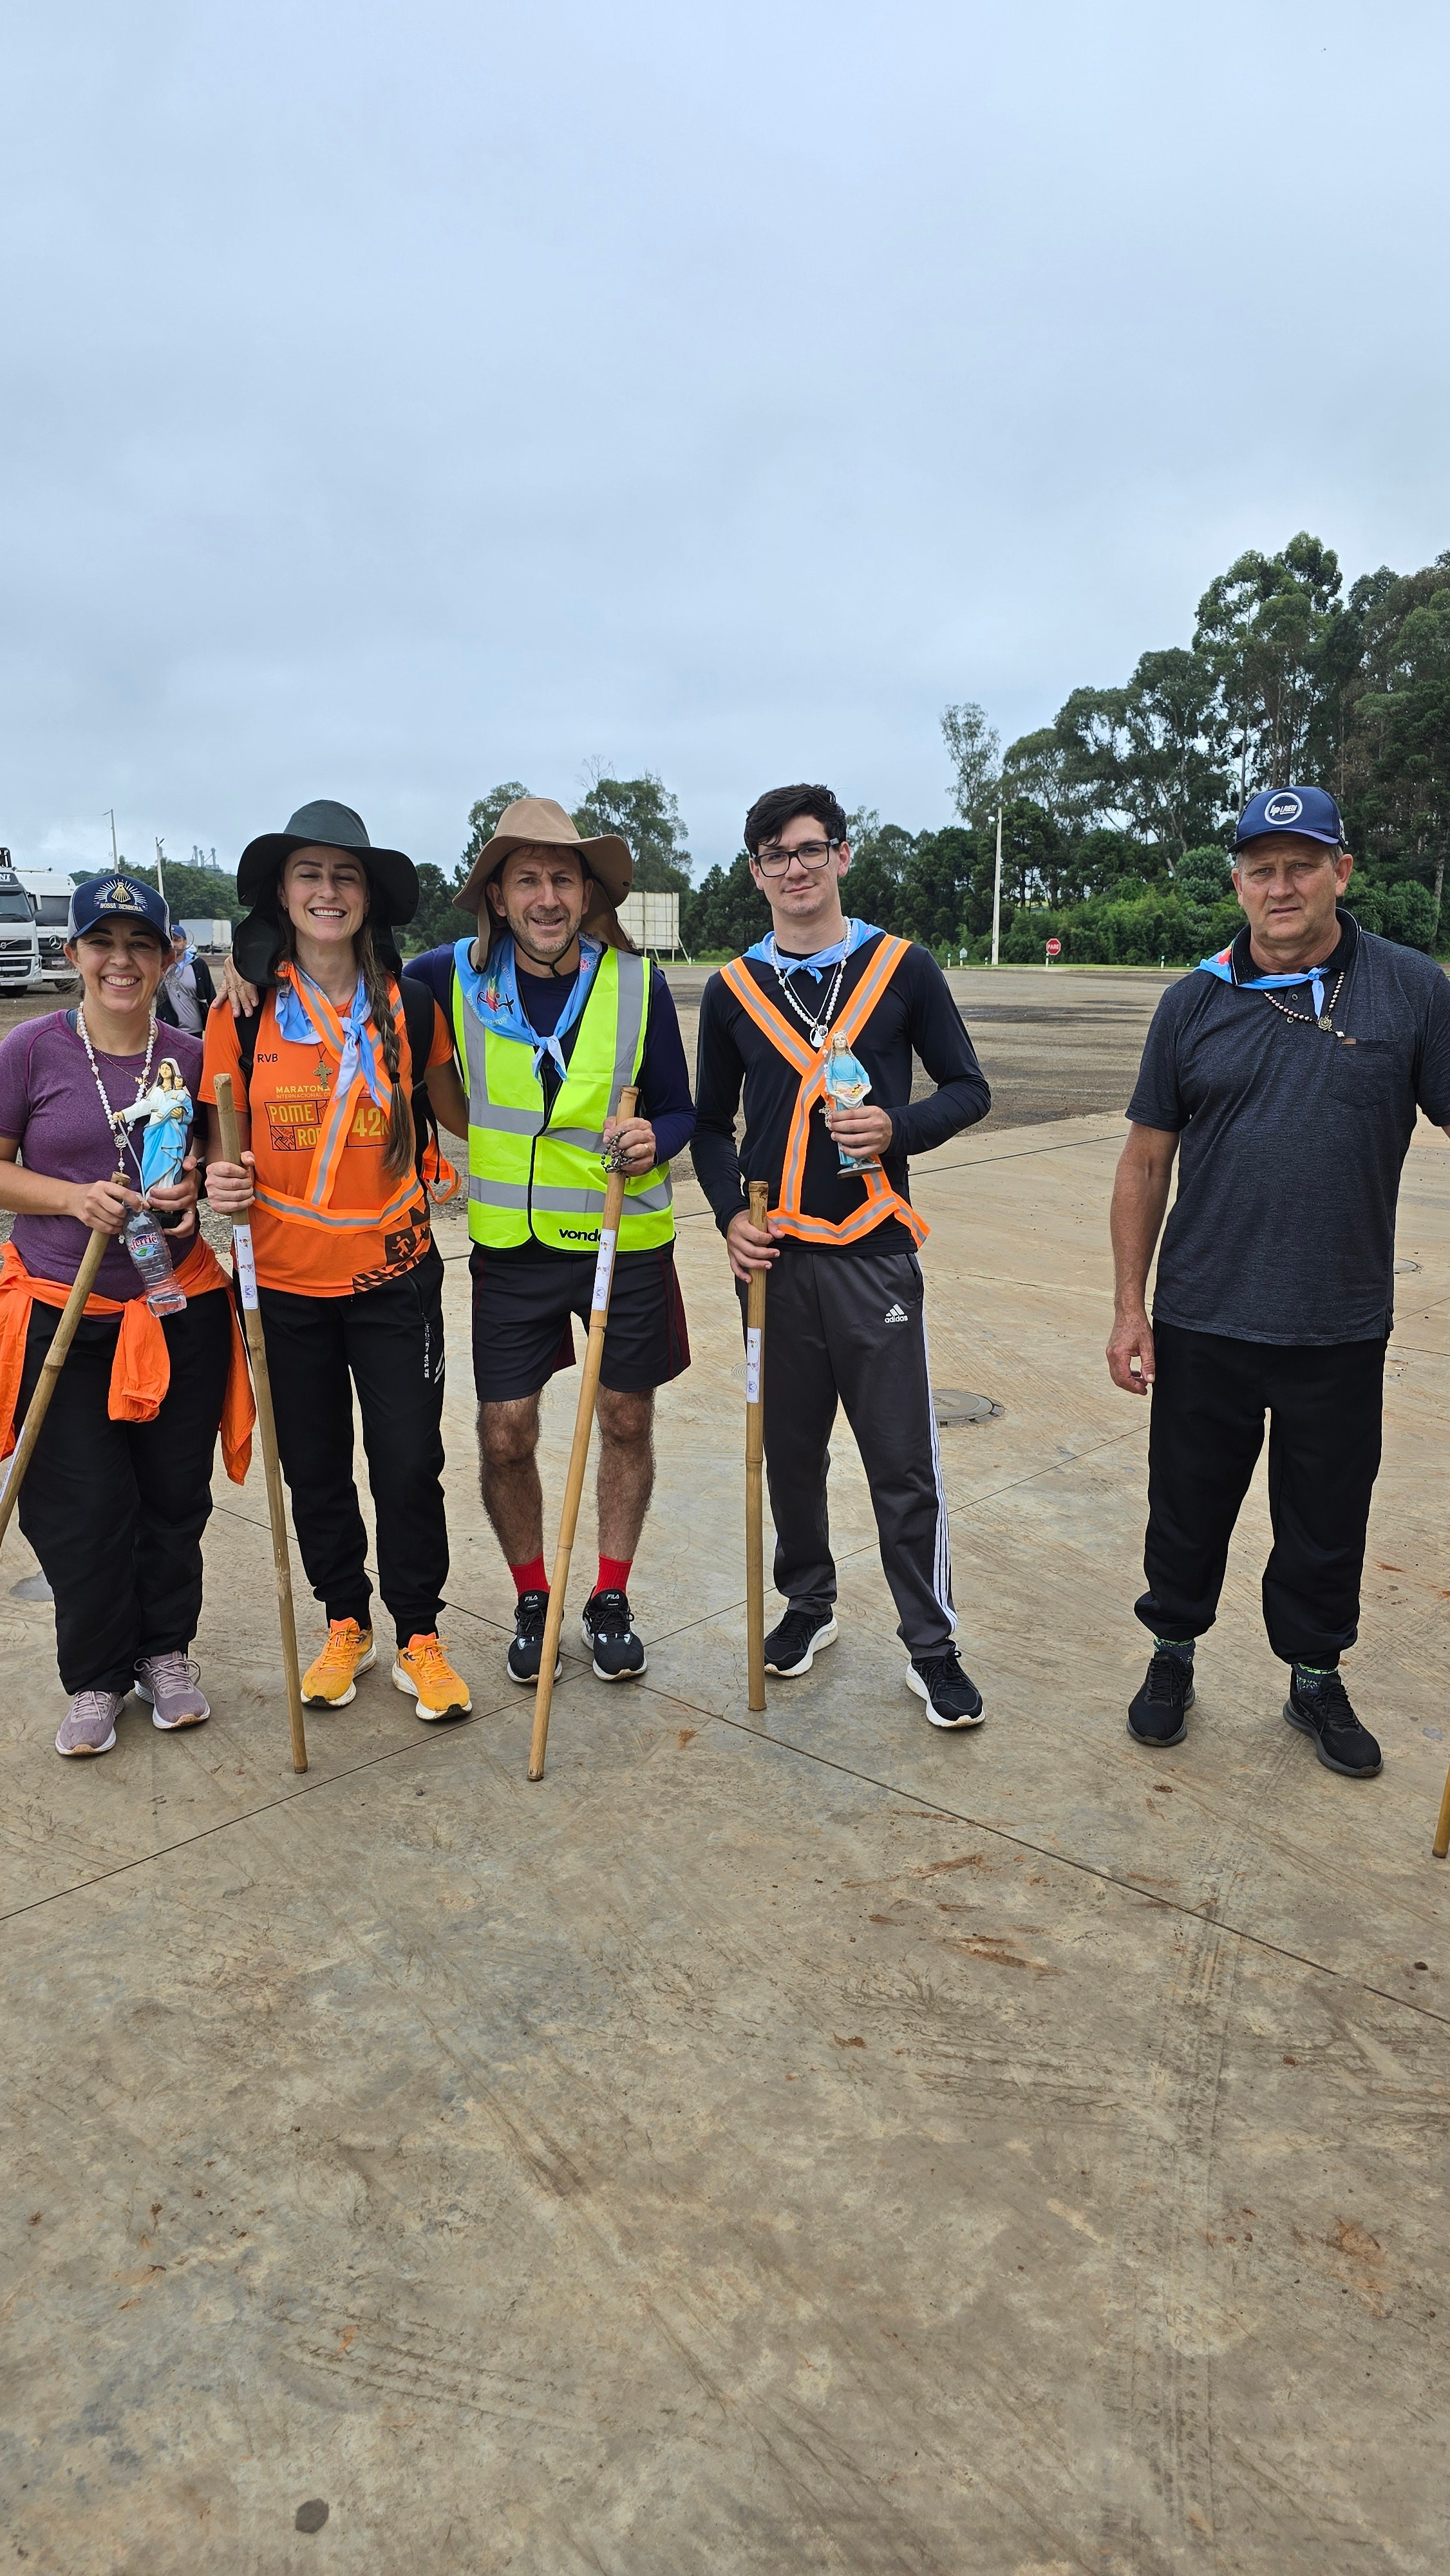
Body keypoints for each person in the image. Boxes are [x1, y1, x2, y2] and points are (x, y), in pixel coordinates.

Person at [1107, 784, 1450, 1777]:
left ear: (1343, 872)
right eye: (1262, 869)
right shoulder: (1193, 1001)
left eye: (1303, 865)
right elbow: (1144, 1163)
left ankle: (1314, 1677)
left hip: (1339, 1321)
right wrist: (1131, 1306)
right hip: (1205, 1316)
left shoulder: (1412, 989)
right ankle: (1172, 1655)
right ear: (1238, 884)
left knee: (1326, 1518)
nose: (1282, 886)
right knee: (1187, 1507)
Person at [691, 783, 992, 1728]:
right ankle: (807, 1605)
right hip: (773, 1262)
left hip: (874, 1251)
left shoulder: (904, 968)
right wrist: (723, 1217)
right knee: (789, 1453)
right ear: (755, 873)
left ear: (843, 857)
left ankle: (931, 1645)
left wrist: (894, 1124)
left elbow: (970, 1089)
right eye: (775, 855)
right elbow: (706, 1127)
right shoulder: (733, 989)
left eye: (811, 849)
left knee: (902, 1460)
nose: (795, 869)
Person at [404, 796, 695, 1685]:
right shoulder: (442, 976)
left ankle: (608, 1595)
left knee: (626, 1418)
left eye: (560, 878)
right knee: (504, 1434)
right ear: (496, 896)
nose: (544, 896)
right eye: (524, 878)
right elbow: (346, 974)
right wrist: (251, 970)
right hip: (511, 1246)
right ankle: (534, 1596)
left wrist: (659, 1139)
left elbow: (681, 1106)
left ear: (585, 892)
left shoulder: (637, 985)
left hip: (622, 1239)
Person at [203, 799, 471, 1723]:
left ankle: (421, 1634)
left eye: (345, 876)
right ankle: (345, 1621)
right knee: (313, 1467)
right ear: (283, 892)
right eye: (310, 874)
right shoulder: (237, 1014)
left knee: (406, 1463)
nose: (327, 891)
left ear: (368, 898)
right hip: (280, 1284)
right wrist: (216, 1181)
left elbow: (456, 1114)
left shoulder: (412, 1003)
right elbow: (208, 1147)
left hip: (395, 1277)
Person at [0, 873, 253, 1757]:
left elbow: (218, 1172)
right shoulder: (29, 1051)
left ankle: (164, 1652)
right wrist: (72, 1199)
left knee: (171, 1498)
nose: (121, 960)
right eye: (102, 943)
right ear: (72, 955)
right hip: (62, 1311)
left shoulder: (192, 1054)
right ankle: (97, 1676)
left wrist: (192, 1194)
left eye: (140, 944)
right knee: (78, 1506)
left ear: (167, 955)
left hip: (174, 1305)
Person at [155, 925, 217, 1036]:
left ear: (185, 942)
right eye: (170, 940)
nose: (173, 944)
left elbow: (211, 996)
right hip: (168, 1030)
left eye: (177, 940)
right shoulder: (160, 965)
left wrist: (215, 1025)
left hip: (195, 1032)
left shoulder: (198, 965)